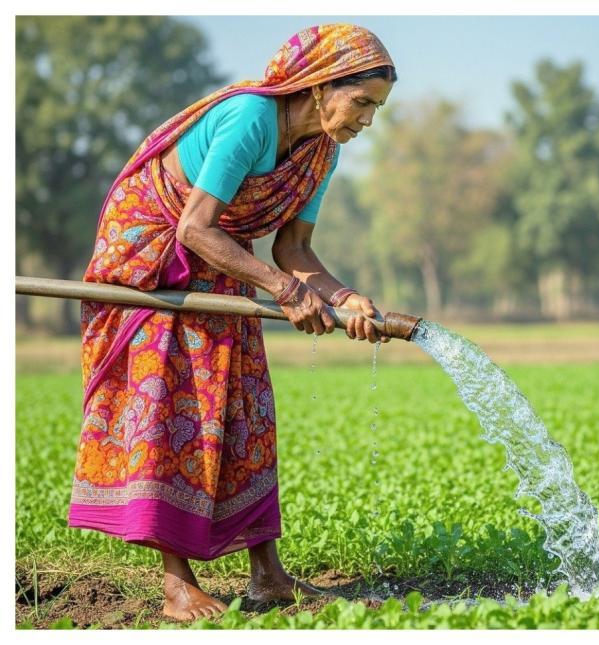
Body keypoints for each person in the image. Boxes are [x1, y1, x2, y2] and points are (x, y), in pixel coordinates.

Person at [69, 24, 396, 622]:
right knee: (170, 400)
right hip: (154, 253)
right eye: (363, 102)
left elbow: (293, 251)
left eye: (377, 108)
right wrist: (282, 291)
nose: (368, 120)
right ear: (322, 86)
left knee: (243, 403)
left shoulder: (324, 149)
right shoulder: (249, 117)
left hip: (223, 255)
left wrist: (346, 298)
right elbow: (193, 227)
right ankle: (176, 585)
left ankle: (269, 577)